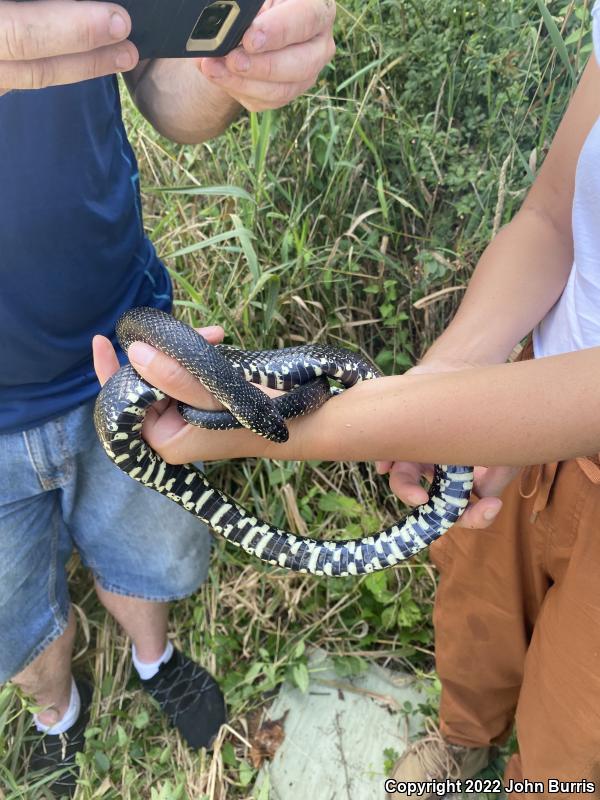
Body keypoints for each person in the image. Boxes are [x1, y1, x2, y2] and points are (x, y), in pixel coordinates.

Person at [95, 3, 600, 793]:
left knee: (579, 713)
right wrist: (446, 387)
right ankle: (465, 734)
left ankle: (537, 783)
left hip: (528, 416)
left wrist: (241, 429)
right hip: (512, 411)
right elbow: (549, 217)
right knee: (474, 613)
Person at [0, 1, 335, 796]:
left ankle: (153, 661)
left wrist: (235, 62)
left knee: (150, 549)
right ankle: (57, 716)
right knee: (10, 617)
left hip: (126, 342)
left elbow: (160, 72)